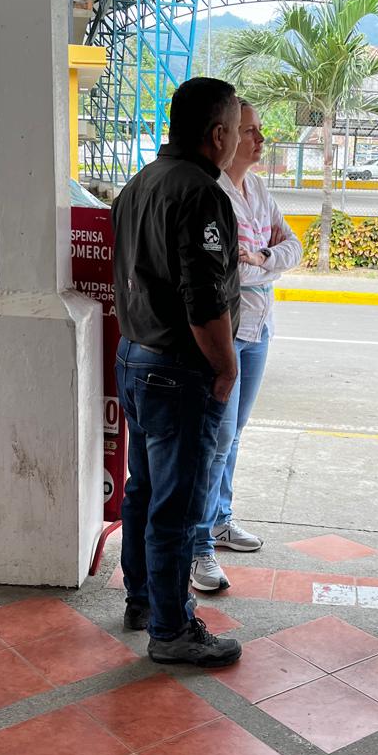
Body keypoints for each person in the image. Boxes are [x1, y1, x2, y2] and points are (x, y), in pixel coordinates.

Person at [112, 77, 243, 667]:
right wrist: (226, 365)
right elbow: (204, 297)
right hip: (178, 371)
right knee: (178, 504)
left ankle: (142, 600)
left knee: (143, 491)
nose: (238, 141)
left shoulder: (139, 184)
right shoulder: (201, 193)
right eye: (236, 130)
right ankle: (172, 628)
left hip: (135, 358)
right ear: (217, 134)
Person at [190, 101, 302, 593]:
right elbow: (222, 272)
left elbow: (292, 248)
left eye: (259, 131)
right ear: (226, 136)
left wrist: (261, 257)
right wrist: (263, 264)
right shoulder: (211, 194)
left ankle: (219, 519)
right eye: (251, 131)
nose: (260, 140)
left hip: (259, 329)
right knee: (214, 441)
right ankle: (199, 546)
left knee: (233, 436)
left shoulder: (257, 190)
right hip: (227, 331)